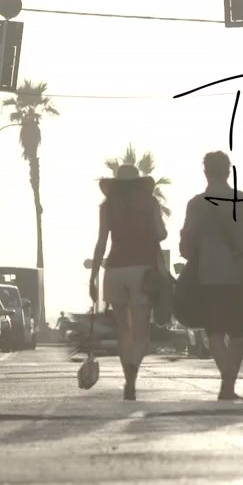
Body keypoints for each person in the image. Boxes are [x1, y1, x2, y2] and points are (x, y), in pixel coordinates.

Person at [179, 151, 243, 401]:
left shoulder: (196, 204)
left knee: (214, 333)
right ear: (228, 171)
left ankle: (228, 380)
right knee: (237, 334)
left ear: (205, 172)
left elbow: (186, 245)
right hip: (241, 276)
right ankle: (229, 385)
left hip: (208, 276)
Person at [90, 164, 167, 400]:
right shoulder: (150, 202)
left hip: (114, 270)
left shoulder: (108, 206)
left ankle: (129, 381)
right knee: (141, 333)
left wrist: (93, 276)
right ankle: (133, 370)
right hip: (142, 271)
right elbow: (161, 234)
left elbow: (101, 242)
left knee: (124, 331)